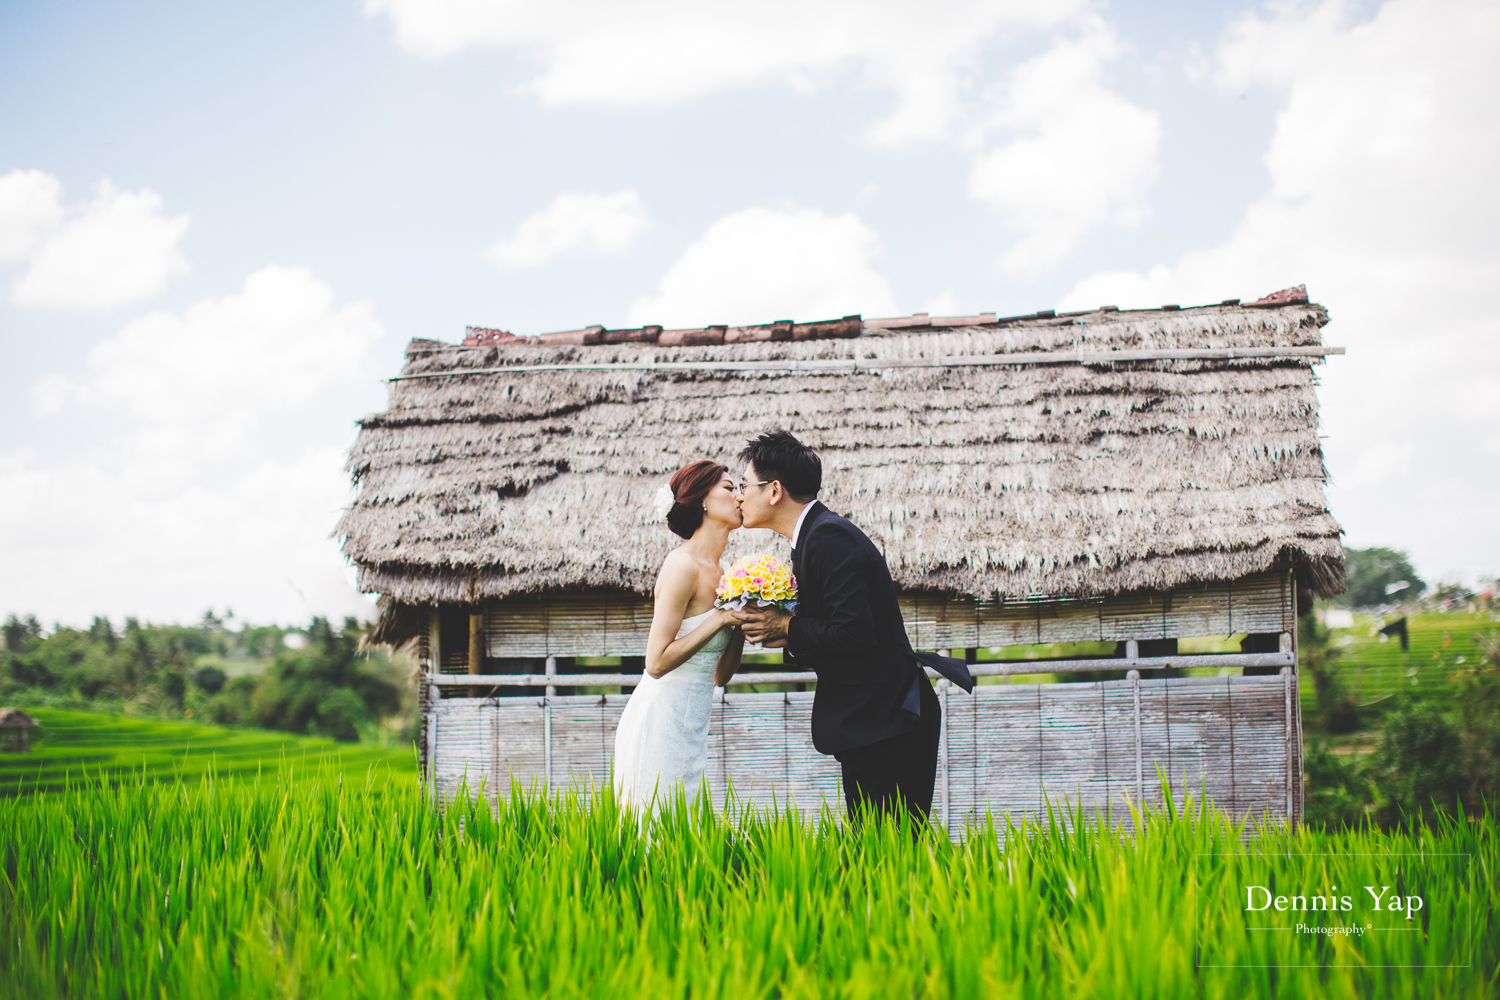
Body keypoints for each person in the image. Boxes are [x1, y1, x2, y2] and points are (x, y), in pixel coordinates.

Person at [732, 430, 973, 826]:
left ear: (774, 490)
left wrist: (789, 626)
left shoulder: (828, 536)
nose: (739, 495)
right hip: (868, 723)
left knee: (894, 857)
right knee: (874, 858)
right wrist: (781, 632)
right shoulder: (811, 539)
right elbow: (836, 633)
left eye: (744, 485)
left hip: (890, 722)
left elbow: (855, 632)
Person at [612, 460, 746, 812]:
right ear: (704, 499)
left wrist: (741, 620)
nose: (739, 496)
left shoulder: (730, 575)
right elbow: (655, 663)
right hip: (659, 721)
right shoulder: (681, 565)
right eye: (730, 488)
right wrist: (718, 619)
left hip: (694, 725)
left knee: (687, 844)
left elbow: (722, 675)